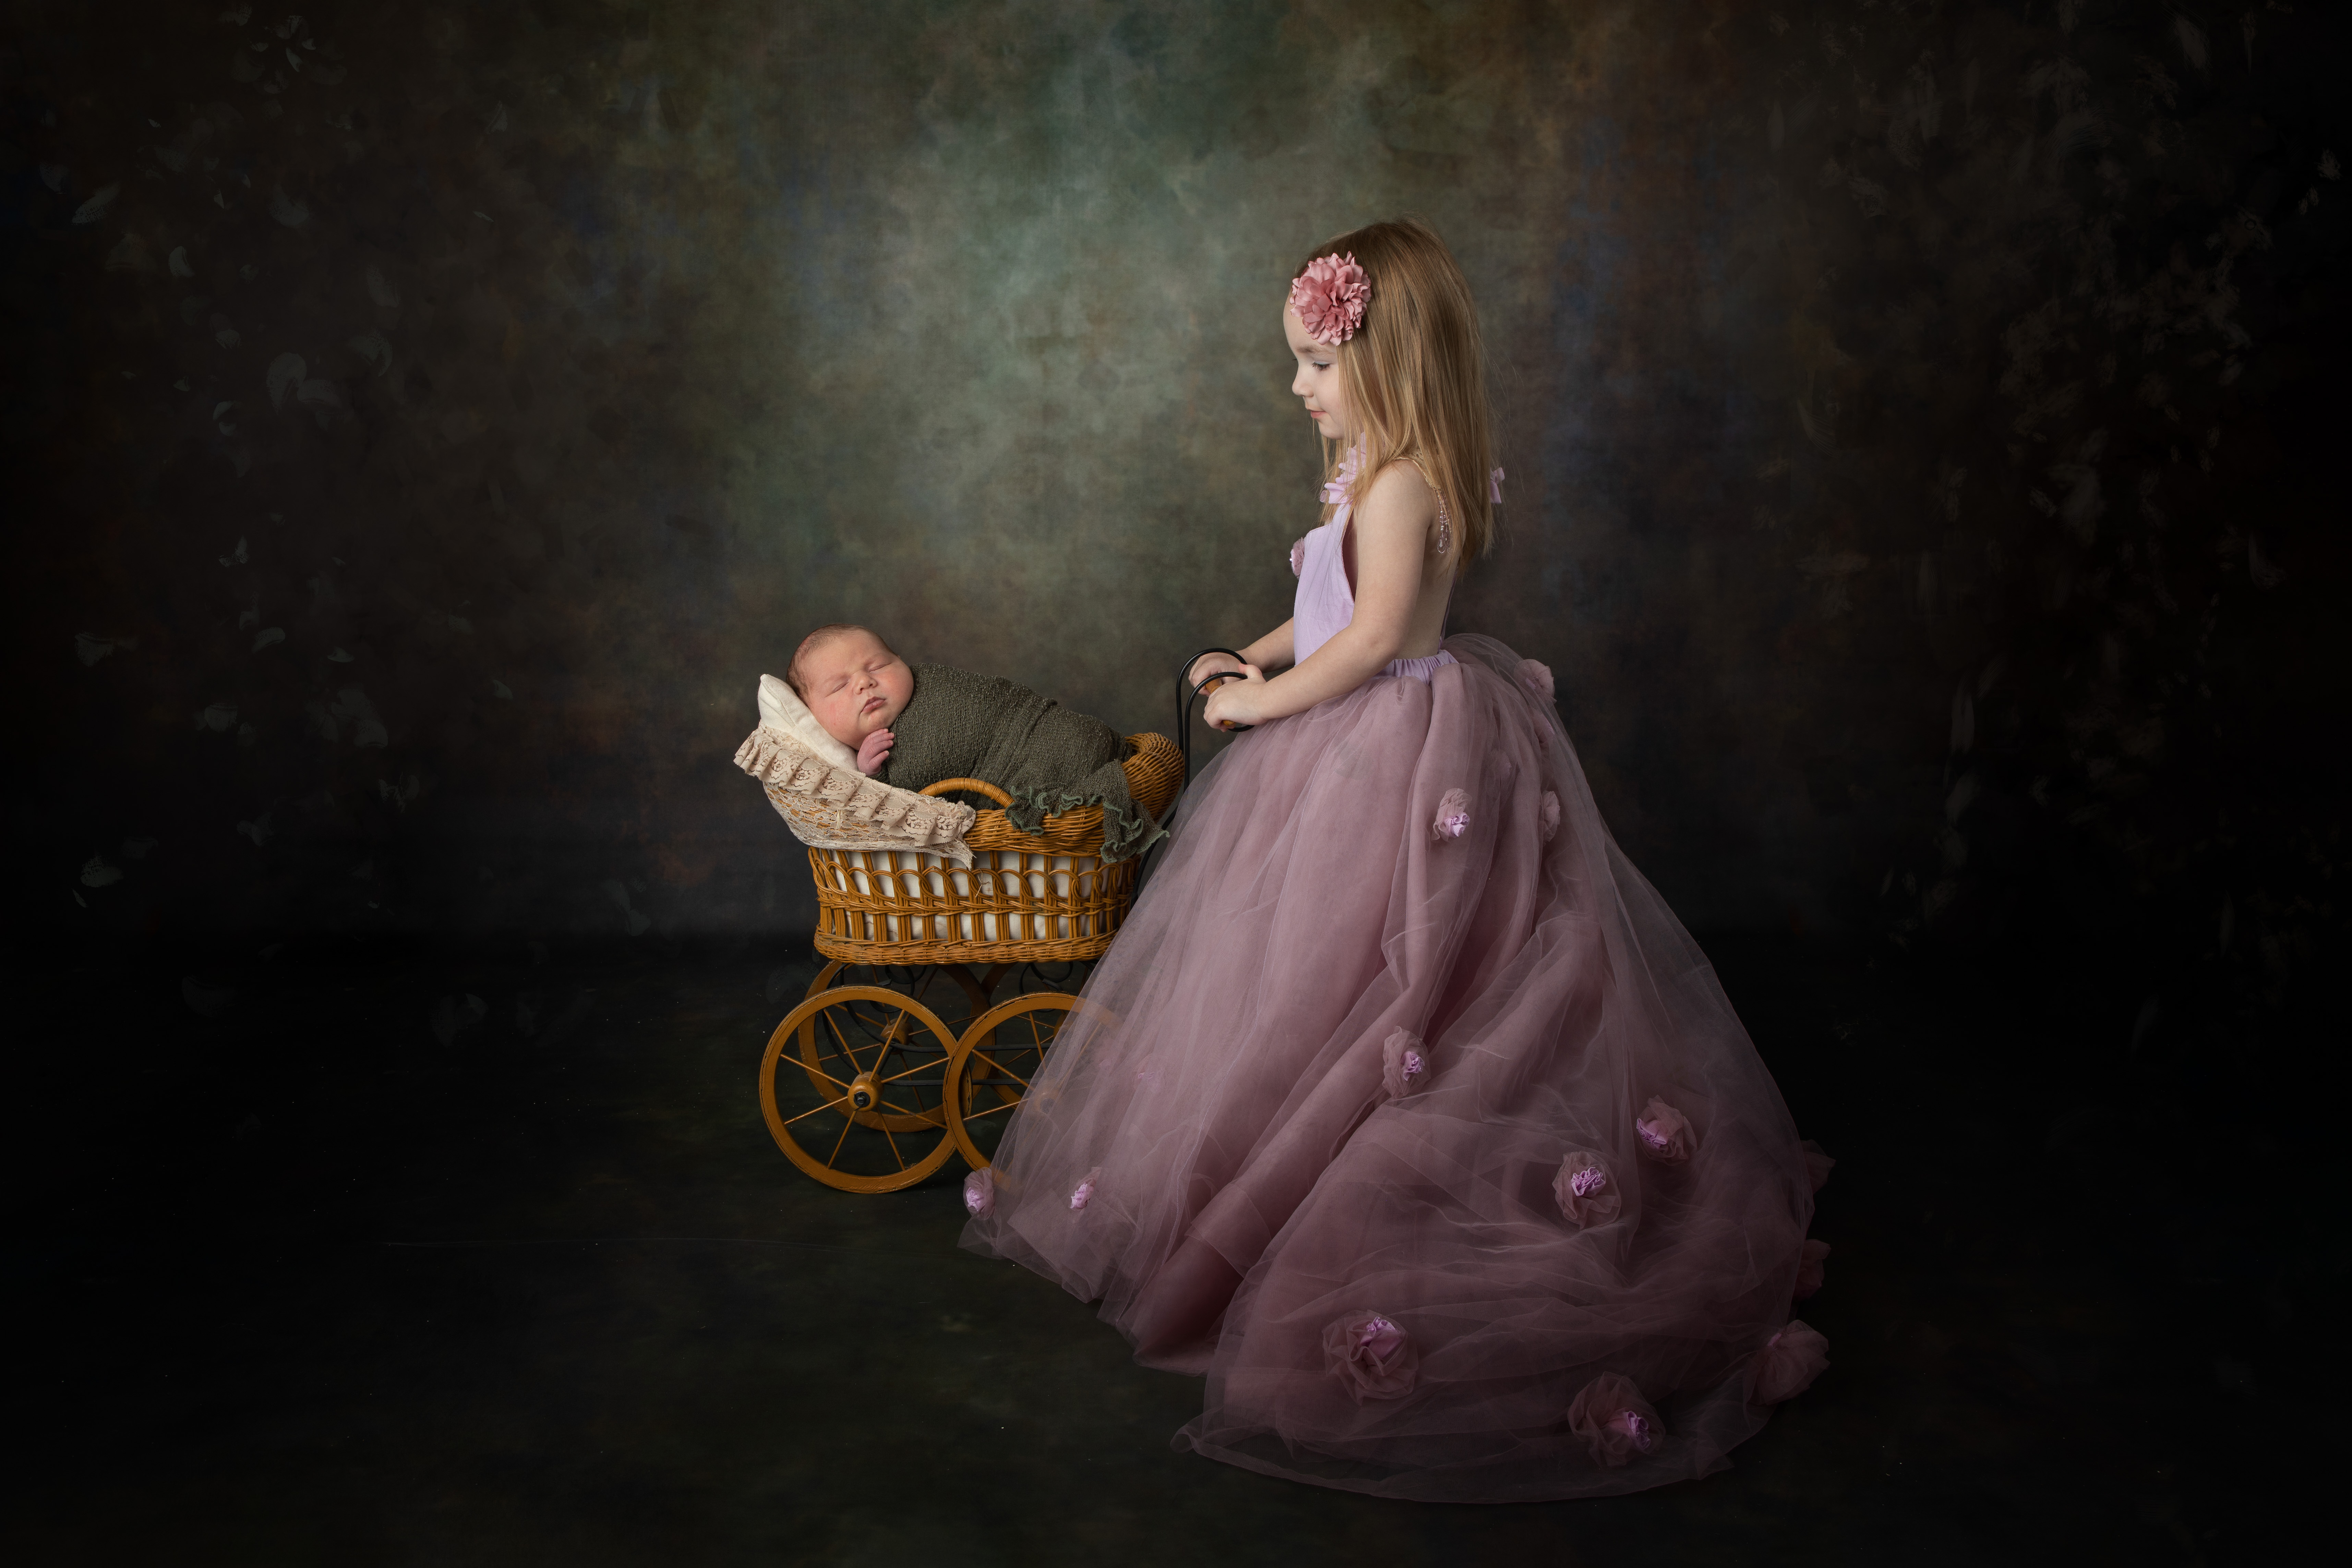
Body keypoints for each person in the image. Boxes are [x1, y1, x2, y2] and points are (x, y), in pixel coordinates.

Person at [959, 219, 1831, 1501]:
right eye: (1300, 362)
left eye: (1317, 362)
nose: (1300, 387)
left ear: (1391, 361)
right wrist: (1255, 654)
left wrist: (1261, 706)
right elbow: (1324, 598)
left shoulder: (1407, 481)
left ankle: (1367, 1164)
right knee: (1292, 971)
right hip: (1351, 735)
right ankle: (1264, 1149)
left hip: (1394, 747)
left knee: (1400, 967)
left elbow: (1369, 642)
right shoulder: (1367, 468)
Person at [785, 623, 1157, 860]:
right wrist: (869, 773)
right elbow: (889, 806)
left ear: (902, 661)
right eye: (839, 686)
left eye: (879, 666)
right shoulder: (867, 757)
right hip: (1061, 751)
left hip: (1053, 739)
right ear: (811, 713)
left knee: (1067, 752)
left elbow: (995, 706)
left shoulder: (937, 684)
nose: (864, 683)